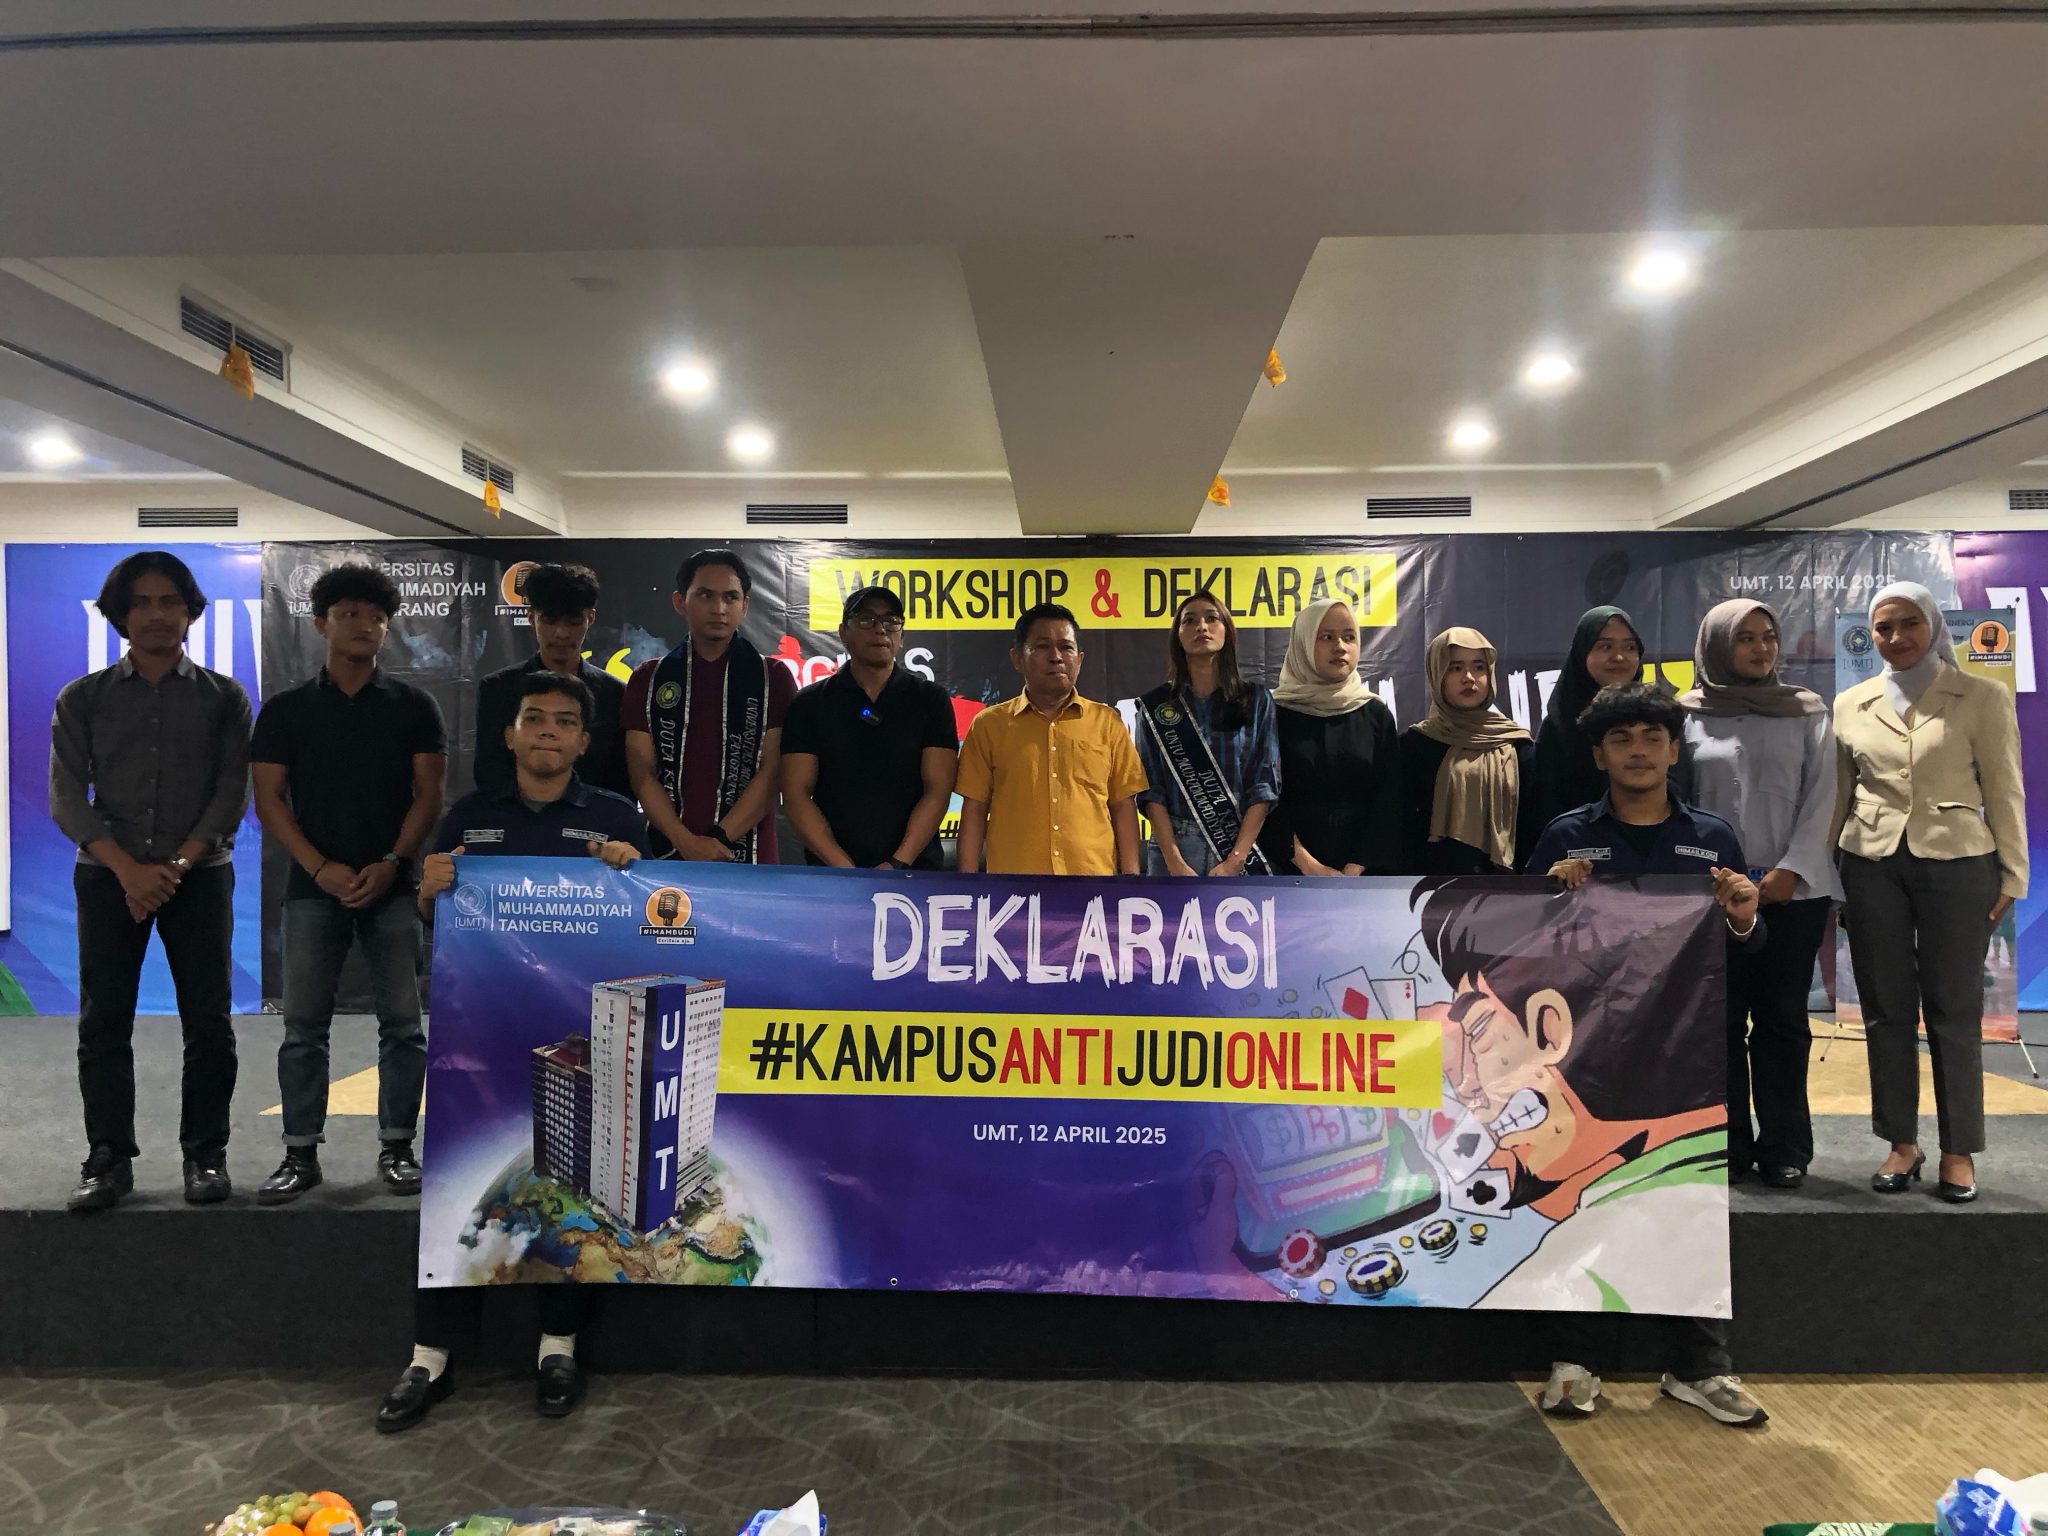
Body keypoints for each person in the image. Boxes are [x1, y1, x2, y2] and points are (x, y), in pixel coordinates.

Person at [377, 672, 648, 1432]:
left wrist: (635, 873)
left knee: (569, 1193)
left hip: (579, 1036)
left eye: (564, 721)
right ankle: (430, 1355)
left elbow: (658, 922)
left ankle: (557, 1348)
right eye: (534, 718)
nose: (548, 731)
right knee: (460, 1186)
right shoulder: (472, 817)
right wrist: (429, 890)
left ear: (583, 741)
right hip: (482, 1035)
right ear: (511, 734)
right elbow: (438, 919)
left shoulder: (615, 819)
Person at [1518, 681, 1767, 1427]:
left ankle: (1698, 1366)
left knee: (1690, 1205)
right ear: (1598, 755)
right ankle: (1575, 1360)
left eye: (1652, 738)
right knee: (1584, 1202)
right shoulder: (1566, 836)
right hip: (1588, 1062)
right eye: (1621, 739)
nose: (1637, 751)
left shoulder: (1713, 838)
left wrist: (1744, 917)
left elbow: (1746, 949)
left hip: (1688, 1058)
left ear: (1672, 751)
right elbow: (1521, 948)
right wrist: (1547, 897)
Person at [52, 552, 252, 1212]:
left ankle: (206, 1156)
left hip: (200, 877)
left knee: (209, 1022)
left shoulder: (224, 697)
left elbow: (231, 792)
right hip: (109, 877)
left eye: (170, 601)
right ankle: (108, 1160)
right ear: (120, 615)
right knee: (104, 1022)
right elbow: (67, 798)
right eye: (141, 602)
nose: (157, 614)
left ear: (191, 612)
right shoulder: (82, 698)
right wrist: (129, 871)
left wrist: (178, 867)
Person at [250, 563, 446, 1204]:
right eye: (349, 614)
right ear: (320, 624)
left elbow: (428, 795)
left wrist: (392, 860)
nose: (365, 626)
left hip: (393, 887)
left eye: (376, 617)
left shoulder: (414, 707)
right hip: (314, 890)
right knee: (303, 1027)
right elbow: (269, 799)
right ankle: (299, 1154)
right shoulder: (287, 709)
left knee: (403, 1025)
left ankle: (398, 1148)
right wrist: (318, 867)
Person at [1834, 581, 2026, 1205]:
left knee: (1954, 1011)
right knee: (1885, 1009)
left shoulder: (1981, 696)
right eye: (1883, 627)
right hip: (1869, 864)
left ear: (1934, 625)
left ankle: (1958, 1150)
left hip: (1960, 863)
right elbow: (1839, 795)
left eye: (1909, 623)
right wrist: (1828, 874)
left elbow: (2005, 787)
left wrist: (2014, 873)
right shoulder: (1851, 703)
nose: (1896, 637)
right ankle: (1901, 1143)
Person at [1680, 599, 1841, 1189]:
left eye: (1768, 636)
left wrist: (1791, 871)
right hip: (1711, 895)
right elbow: (1677, 803)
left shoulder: (1806, 711)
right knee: (1718, 1024)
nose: (1760, 648)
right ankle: (1726, 1143)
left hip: (1792, 892)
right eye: (1744, 638)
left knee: (1781, 1019)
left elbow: (1825, 795)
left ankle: (1785, 1146)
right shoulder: (1686, 714)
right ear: (1718, 645)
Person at [622, 548, 795, 864]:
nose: (719, 608)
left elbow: (774, 772)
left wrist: (717, 840)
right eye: (705, 595)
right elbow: (641, 774)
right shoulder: (649, 678)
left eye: (730, 597)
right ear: (680, 602)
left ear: (744, 605)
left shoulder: (773, 677)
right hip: (667, 853)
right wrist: (685, 841)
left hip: (748, 857)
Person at [955, 602, 1146, 877]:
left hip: (1092, 887)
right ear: (1018, 658)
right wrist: (968, 883)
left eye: (1066, 647)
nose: (1056, 657)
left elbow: (1122, 806)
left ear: (1079, 660)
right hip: (1012, 889)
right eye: (1042, 646)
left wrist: (1130, 879)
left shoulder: (1108, 723)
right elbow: (974, 808)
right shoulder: (989, 725)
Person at [780, 586, 958, 869]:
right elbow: (796, 794)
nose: (880, 629)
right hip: (833, 874)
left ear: (902, 636)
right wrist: (846, 869)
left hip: (913, 871)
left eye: (891, 621)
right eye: (866, 619)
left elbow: (938, 790)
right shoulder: (809, 703)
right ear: (843, 632)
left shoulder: (930, 700)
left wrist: (897, 863)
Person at [1134, 589, 1279, 877]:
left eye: (1212, 618)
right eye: (1189, 620)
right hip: (1171, 848)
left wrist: (1236, 859)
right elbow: (1151, 790)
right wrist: (1174, 861)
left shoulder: (1256, 700)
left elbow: (1264, 785)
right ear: (1178, 636)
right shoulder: (1155, 706)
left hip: (1237, 845)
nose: (1201, 626)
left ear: (1227, 630)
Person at [1257, 597, 1402, 876]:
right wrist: (1308, 866)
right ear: (1303, 643)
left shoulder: (1375, 714)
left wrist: (1356, 867)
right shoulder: (1273, 713)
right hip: (1288, 874)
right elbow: (1266, 798)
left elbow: (1389, 799)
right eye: (1326, 637)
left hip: (1365, 878)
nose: (1340, 647)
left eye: (1349, 637)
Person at [474, 562, 630, 800]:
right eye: (550, 621)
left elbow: (621, 779)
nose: (561, 633)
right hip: (515, 816)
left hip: (596, 818)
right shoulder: (498, 689)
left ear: (590, 618)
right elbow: (489, 772)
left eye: (573, 622)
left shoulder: (615, 694)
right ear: (531, 618)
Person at [1397, 627, 1532, 875]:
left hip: (1506, 887)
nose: (1469, 678)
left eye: (1479, 667)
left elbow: (1532, 825)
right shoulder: (1414, 745)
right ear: (1437, 673)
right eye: (1455, 668)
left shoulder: (1517, 744)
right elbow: (1402, 828)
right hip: (1428, 887)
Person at [1522, 606, 1648, 848]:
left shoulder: (1655, 718)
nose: (1619, 657)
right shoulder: (1558, 726)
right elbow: (1543, 809)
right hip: (1575, 854)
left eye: (1629, 647)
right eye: (1605, 646)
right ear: (1582, 653)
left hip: (1648, 851)